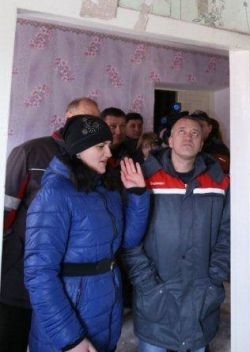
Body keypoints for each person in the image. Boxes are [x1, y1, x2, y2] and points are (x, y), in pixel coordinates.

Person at [24, 115, 149, 352]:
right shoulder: (55, 194)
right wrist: (70, 339)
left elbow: (127, 241)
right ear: (78, 151)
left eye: (108, 145)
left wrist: (138, 195)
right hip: (69, 326)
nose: (109, 153)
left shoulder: (105, 188)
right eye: (100, 146)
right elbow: (39, 274)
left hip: (105, 312)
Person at [0, 97, 100, 352]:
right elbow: (6, 211)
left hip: (67, 281)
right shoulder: (31, 152)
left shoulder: (94, 158)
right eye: (82, 118)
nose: (88, 125)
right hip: (20, 272)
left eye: (93, 120)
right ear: (67, 118)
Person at [123, 115, 230, 352]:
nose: (188, 137)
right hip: (154, 300)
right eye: (181, 131)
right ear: (169, 140)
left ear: (202, 144)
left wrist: (214, 278)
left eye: (195, 133)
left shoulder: (219, 183)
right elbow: (130, 240)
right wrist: (147, 284)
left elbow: (227, 235)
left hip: (201, 300)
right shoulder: (143, 179)